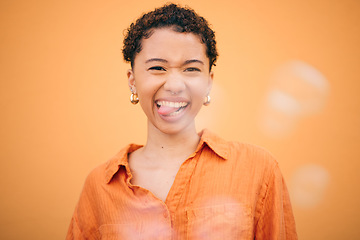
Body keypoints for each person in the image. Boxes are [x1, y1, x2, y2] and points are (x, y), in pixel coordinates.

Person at [66, 3, 297, 239]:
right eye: (157, 67)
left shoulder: (259, 169)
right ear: (132, 81)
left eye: (191, 69)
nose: (175, 86)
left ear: (209, 82)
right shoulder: (99, 185)